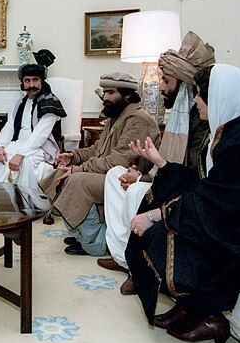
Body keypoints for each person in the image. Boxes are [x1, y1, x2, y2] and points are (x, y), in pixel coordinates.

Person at [125, 64, 240, 343]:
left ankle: (210, 316)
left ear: (218, 96)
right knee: (165, 205)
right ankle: (189, 306)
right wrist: (161, 163)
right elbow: (207, 184)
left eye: (200, 94)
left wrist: (156, 215)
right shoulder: (230, 128)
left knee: (163, 234)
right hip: (233, 210)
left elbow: (219, 197)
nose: (195, 100)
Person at [99, 31, 213, 294]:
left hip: (186, 191)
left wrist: (142, 179)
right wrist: (139, 169)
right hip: (166, 179)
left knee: (136, 189)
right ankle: (122, 256)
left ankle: (137, 266)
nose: (161, 86)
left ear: (183, 83)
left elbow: (191, 173)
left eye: (166, 80)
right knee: (116, 174)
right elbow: (162, 159)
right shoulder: (181, 115)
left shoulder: (201, 119)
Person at [40, 72, 160, 257]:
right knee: (59, 174)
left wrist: (77, 169)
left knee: (77, 180)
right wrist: (73, 156)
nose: (105, 97)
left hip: (126, 180)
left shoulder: (137, 120)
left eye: (111, 92)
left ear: (127, 95)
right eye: (105, 92)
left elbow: (118, 161)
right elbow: (98, 149)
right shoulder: (117, 116)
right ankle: (80, 234)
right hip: (108, 173)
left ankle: (95, 243)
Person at [0, 61, 66, 190]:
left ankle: (26, 202)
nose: (31, 85)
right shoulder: (21, 102)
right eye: (27, 81)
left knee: (27, 162)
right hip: (20, 144)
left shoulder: (50, 103)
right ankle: (2, 197)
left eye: (35, 80)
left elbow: (40, 134)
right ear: (23, 83)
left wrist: (20, 155)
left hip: (42, 148)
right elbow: (11, 125)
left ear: (42, 81)